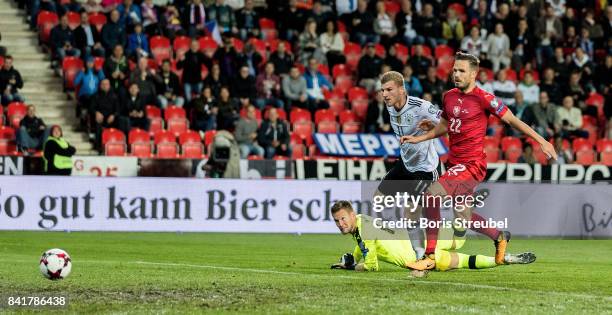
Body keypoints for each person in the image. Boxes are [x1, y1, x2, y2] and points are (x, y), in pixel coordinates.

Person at [401, 52, 557, 270]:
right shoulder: (449, 96)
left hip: (472, 165)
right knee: (463, 218)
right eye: (454, 70)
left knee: (431, 196)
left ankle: (429, 256)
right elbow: (446, 126)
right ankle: (500, 237)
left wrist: (542, 141)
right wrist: (420, 137)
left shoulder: (484, 98)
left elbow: (512, 120)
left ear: (473, 74)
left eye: (461, 70)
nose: (456, 74)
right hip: (454, 164)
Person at [330, 200, 535, 273]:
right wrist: (355, 257)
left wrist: (352, 266)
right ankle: (503, 253)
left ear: (350, 214)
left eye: (343, 219)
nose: (341, 224)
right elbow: (364, 244)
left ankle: (501, 254)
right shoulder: (362, 220)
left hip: (418, 258)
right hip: (425, 239)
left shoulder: (363, 232)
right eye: (337, 221)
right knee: (461, 245)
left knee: (462, 258)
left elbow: (371, 266)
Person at [74, 57, 105, 125]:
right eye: (88, 62)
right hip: (84, 95)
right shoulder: (83, 72)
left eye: (91, 62)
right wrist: (81, 73)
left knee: (96, 100)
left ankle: (90, 120)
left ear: (94, 63)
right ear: (86, 63)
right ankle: (87, 119)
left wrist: (100, 71)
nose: (90, 64)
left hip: (95, 95)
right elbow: (75, 82)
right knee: (90, 99)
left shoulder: (97, 72)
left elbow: (104, 82)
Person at [91, 79, 120, 149]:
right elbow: (91, 108)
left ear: (109, 86)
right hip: (100, 117)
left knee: (121, 121)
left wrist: (113, 115)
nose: (105, 86)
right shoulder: (95, 96)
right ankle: (99, 147)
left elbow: (118, 110)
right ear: (100, 86)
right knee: (97, 123)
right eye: (103, 84)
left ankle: (117, 146)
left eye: (106, 84)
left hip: (111, 118)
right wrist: (96, 112)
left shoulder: (114, 96)